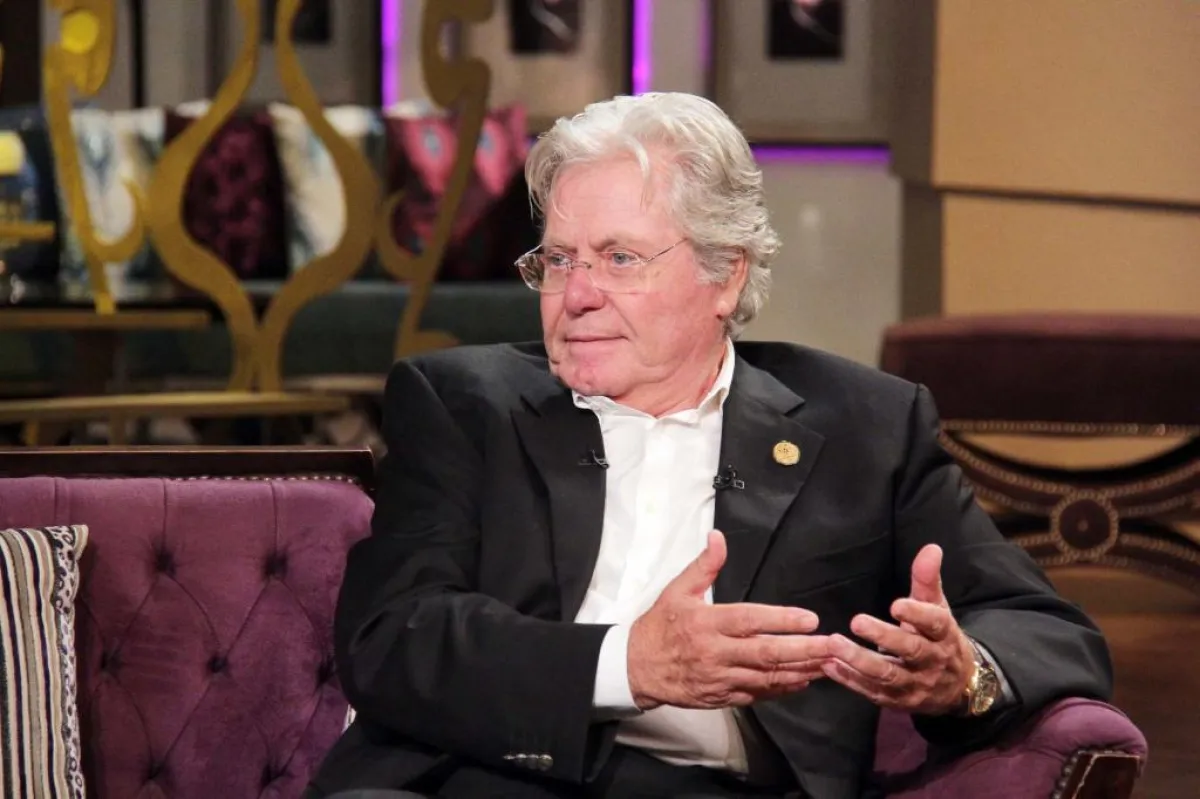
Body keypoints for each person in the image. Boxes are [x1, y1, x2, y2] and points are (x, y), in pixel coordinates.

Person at [307, 92, 1112, 799]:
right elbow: (392, 636)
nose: (577, 294)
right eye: (558, 260)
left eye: (619, 258)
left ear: (725, 275)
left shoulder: (865, 426)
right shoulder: (460, 403)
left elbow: (1047, 629)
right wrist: (627, 662)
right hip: (469, 774)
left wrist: (963, 675)